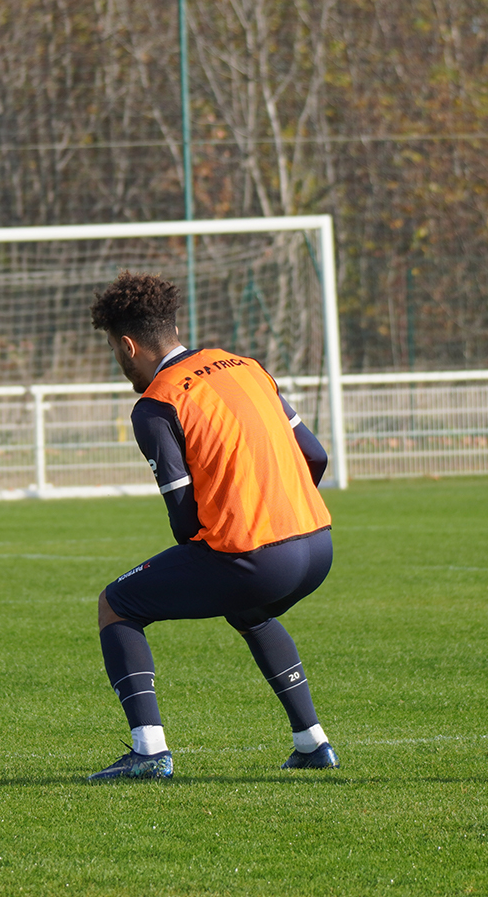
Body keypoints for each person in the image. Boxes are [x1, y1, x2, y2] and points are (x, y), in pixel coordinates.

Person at [87, 270, 338, 780]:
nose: (119, 362)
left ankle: (148, 752)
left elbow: (185, 519)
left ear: (129, 345)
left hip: (259, 559)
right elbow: (314, 454)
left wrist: (235, 538)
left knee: (117, 604)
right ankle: (312, 742)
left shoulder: (157, 403)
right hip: (318, 545)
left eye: (115, 349)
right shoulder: (247, 367)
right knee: (247, 608)